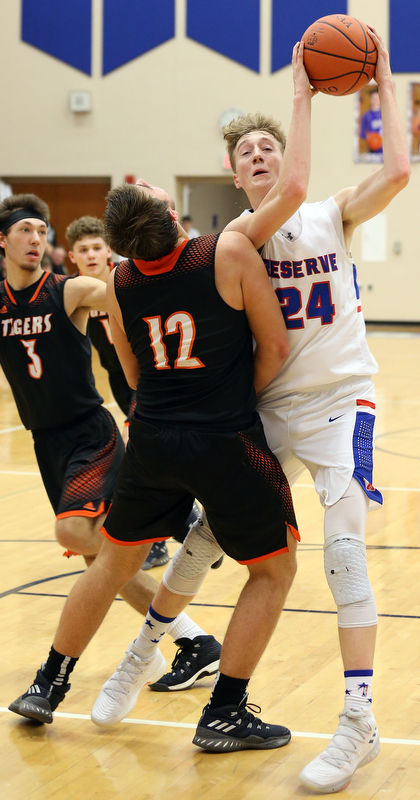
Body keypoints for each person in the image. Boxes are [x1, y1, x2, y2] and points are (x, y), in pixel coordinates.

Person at [9, 41, 314, 748]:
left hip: (151, 438)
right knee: (273, 569)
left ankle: (49, 681)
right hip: (223, 437)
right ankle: (226, 712)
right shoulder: (225, 251)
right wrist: (237, 401)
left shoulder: (117, 282)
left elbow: (133, 373)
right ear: (172, 217)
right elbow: (274, 348)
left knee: (112, 560)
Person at [221, 27, 409, 793]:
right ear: (232, 176)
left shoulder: (331, 212)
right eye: (247, 153)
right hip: (270, 409)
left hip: (341, 403)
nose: (262, 156)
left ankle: (358, 721)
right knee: (205, 538)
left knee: (343, 552)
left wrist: (384, 80)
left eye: (271, 146)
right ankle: (158, 653)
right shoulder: (235, 239)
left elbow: (398, 168)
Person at [0, 193, 222, 709]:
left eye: (41, 231)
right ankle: (193, 640)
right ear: (4, 241)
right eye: (25, 231)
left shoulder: (71, 290)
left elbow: (135, 293)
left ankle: (166, 522)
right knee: (99, 565)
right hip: (45, 443)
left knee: (74, 532)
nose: (36, 239)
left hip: (89, 434)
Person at [66, 214, 174, 570]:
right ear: (73, 257)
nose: (92, 254)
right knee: (148, 459)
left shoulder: (126, 279)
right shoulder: (76, 292)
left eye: (97, 247)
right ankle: (183, 519)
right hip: (118, 381)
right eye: (84, 249)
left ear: (108, 249)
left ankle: (162, 535)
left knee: (141, 460)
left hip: (149, 378)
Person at [360, 86, 383, 153]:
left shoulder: (385, 115)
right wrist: (369, 137)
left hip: (384, 148)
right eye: (373, 98)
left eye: (377, 98)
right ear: (370, 100)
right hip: (372, 149)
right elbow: (362, 133)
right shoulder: (366, 115)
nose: (376, 100)